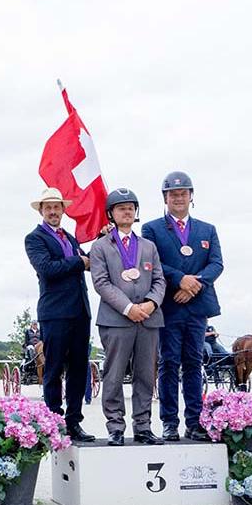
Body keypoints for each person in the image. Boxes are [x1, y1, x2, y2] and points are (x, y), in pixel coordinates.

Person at [141, 171, 224, 442]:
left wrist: (195, 284)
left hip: (196, 306)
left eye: (183, 193)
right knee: (168, 362)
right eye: (173, 194)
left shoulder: (207, 229)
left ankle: (195, 421)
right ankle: (169, 422)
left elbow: (216, 264)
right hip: (169, 305)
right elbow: (151, 262)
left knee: (193, 363)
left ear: (191, 196)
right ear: (165, 198)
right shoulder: (151, 229)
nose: (178, 198)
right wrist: (180, 280)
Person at [90, 188, 166, 447]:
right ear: (111, 214)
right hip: (116, 320)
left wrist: (151, 303)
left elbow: (159, 279)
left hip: (148, 319)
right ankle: (115, 427)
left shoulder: (148, 246)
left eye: (131, 207)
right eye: (121, 208)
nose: (127, 211)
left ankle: (143, 426)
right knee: (114, 374)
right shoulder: (100, 247)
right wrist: (127, 308)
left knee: (146, 375)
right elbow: (101, 282)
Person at [24, 187, 96, 442]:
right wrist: (79, 262)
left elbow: (89, 261)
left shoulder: (70, 237)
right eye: (48, 207)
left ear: (64, 210)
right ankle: (54, 419)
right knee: (53, 369)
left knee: (78, 370)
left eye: (57, 207)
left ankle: (74, 421)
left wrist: (102, 240)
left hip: (79, 311)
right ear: (42, 211)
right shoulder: (34, 238)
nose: (53, 211)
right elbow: (46, 268)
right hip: (54, 312)